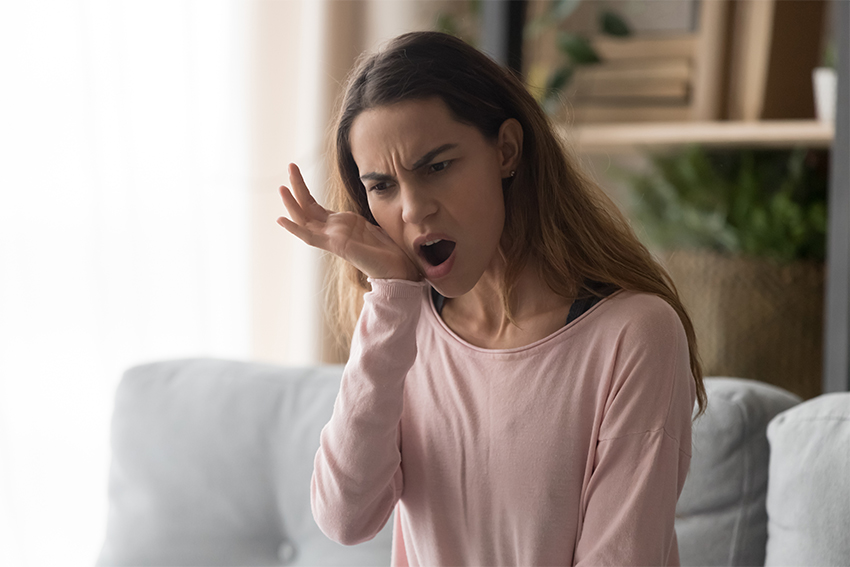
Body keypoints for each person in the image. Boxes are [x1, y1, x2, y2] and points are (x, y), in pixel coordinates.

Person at [277, 31, 706, 567]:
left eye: (436, 167)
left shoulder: (634, 334)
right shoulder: (403, 330)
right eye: (382, 186)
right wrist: (390, 300)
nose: (413, 210)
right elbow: (345, 518)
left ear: (506, 150)